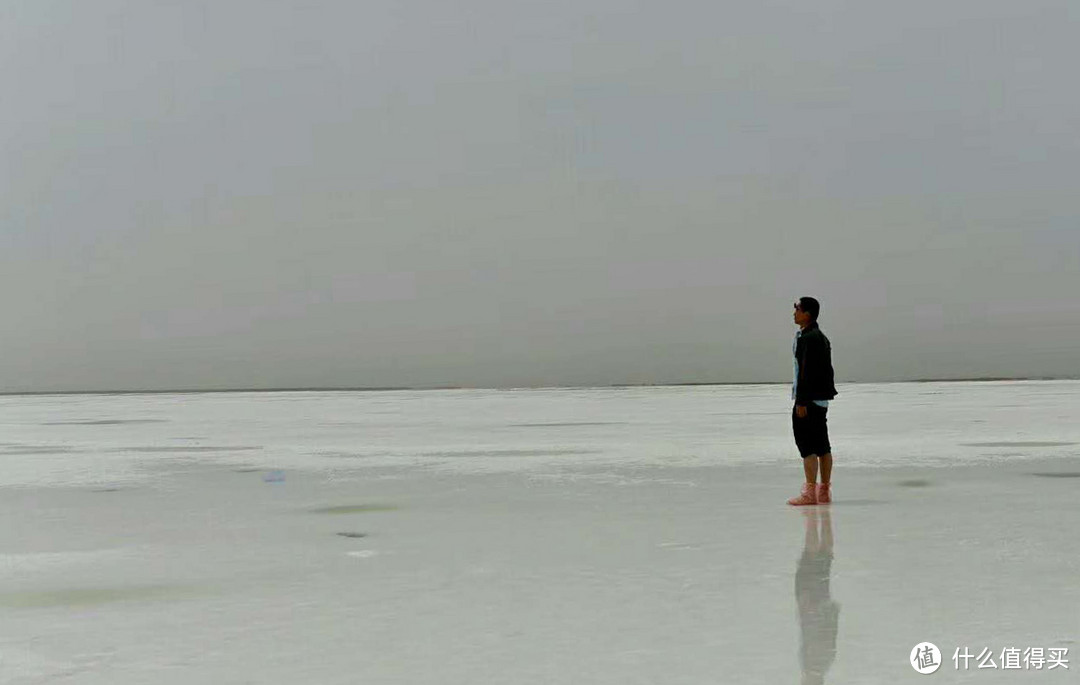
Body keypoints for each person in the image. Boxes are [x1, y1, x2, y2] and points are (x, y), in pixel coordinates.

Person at [788, 297, 838, 506]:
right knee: (822, 446)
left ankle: (810, 492)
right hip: (820, 400)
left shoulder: (808, 338)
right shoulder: (820, 337)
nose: (794, 313)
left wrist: (801, 401)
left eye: (797, 309)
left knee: (807, 446)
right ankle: (823, 491)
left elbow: (806, 372)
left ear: (807, 313)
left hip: (808, 400)